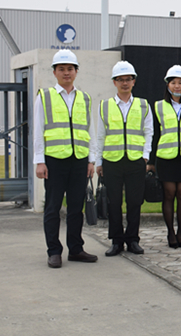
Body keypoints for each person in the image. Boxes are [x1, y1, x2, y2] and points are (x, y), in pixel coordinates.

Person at [33, 49, 98, 268]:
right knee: (52, 208)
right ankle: (54, 251)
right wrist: (39, 161)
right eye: (61, 69)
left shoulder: (85, 98)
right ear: (54, 72)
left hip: (79, 159)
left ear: (76, 71)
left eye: (70, 69)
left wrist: (91, 160)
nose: (66, 73)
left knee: (76, 208)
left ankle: (76, 249)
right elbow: (38, 130)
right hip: (54, 160)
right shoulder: (45, 96)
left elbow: (89, 130)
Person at [92, 61, 153, 257]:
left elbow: (148, 132)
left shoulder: (143, 105)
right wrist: (99, 162)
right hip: (112, 161)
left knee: (135, 202)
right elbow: (100, 135)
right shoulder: (105, 106)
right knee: (114, 202)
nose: (124, 83)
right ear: (114, 82)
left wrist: (145, 156)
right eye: (120, 80)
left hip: (136, 161)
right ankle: (116, 241)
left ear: (134, 81)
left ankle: (133, 239)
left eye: (128, 79)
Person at [148, 65, 181, 248]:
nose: (177, 86)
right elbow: (155, 134)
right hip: (166, 157)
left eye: (180, 83)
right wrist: (151, 161)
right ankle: (170, 233)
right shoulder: (158, 106)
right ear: (167, 85)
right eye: (173, 82)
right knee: (169, 194)